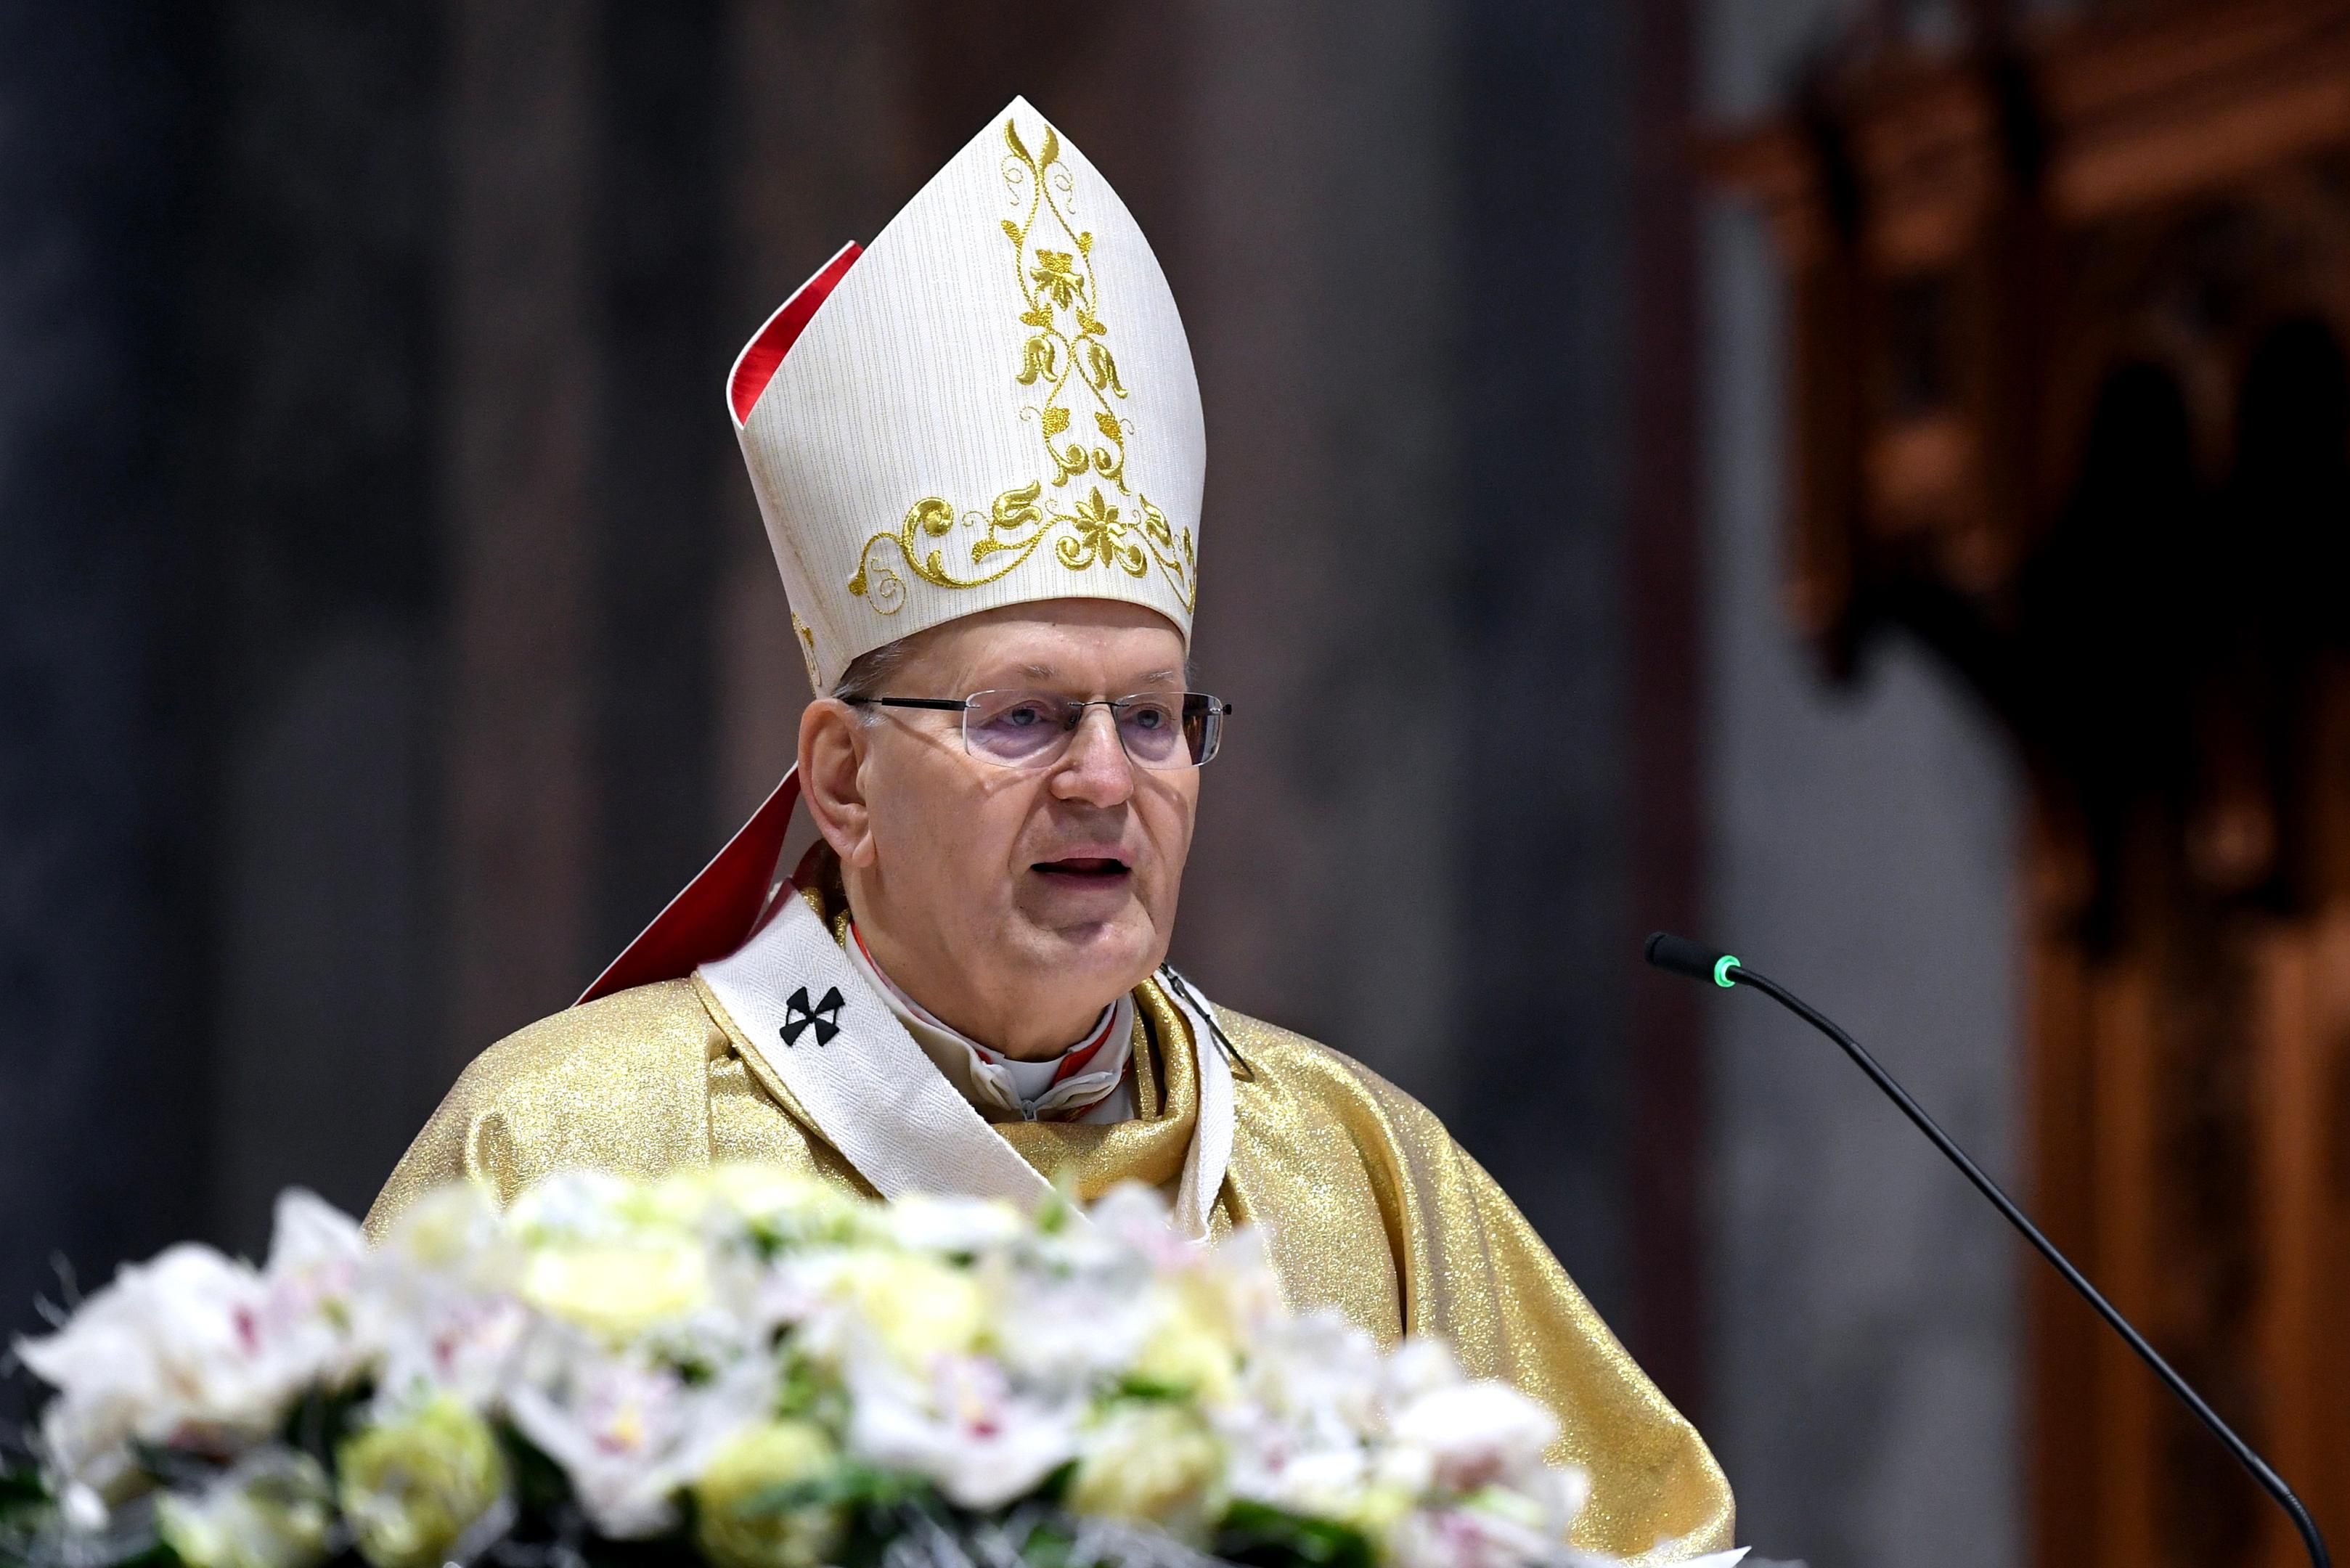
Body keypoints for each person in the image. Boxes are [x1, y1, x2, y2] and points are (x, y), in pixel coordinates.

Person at [370, 98, 1731, 1561]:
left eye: (1151, 717)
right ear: (843, 780)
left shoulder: (1357, 1167)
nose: (1104, 780)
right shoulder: (569, 1148)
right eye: (1023, 716)